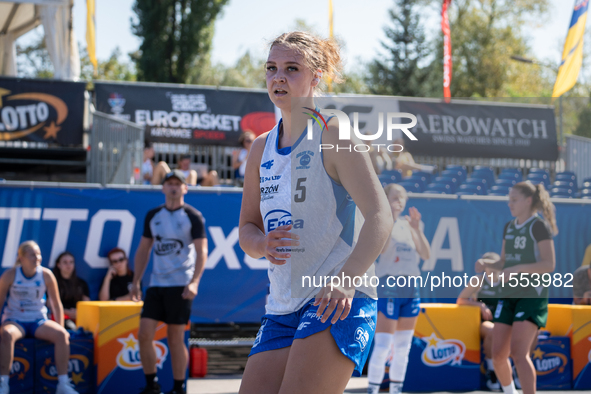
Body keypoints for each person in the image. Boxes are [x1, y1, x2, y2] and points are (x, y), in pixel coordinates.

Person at [238, 31, 393, 394]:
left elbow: (380, 216)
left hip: (334, 298)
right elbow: (246, 228)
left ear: (316, 76)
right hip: (281, 305)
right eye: (271, 68)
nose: (278, 77)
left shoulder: (332, 132)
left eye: (292, 68)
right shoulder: (261, 148)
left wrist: (348, 278)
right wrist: (262, 243)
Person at [475, 181, 557, 394]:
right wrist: (488, 265)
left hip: (531, 295)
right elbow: (503, 261)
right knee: (499, 355)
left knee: (520, 354)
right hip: (508, 293)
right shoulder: (509, 226)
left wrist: (518, 269)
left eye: (514, 199)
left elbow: (549, 264)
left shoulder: (538, 225)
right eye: (508, 199)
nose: (509, 203)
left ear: (528, 201)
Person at [131, 169, 208, 394]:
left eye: (178, 184)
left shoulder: (193, 216)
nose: (173, 187)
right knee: (144, 333)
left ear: (185, 188)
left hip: (181, 284)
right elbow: (143, 249)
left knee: (175, 338)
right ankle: (151, 385)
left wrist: (194, 282)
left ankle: (178, 388)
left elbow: (202, 251)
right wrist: (135, 281)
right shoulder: (153, 216)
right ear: (163, 187)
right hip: (157, 284)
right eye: (169, 183)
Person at [367, 183, 430, 394]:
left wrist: (415, 229)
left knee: (403, 346)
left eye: (403, 197)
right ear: (386, 198)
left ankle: (396, 389)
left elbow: (426, 255)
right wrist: (390, 219)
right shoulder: (384, 221)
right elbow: (381, 249)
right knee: (384, 343)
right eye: (395, 196)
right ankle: (373, 389)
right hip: (389, 285)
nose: (400, 201)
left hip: (411, 286)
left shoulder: (410, 224)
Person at [0, 241, 79, 394]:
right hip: (15, 320)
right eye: (32, 255)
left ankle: (63, 385)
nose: (36, 258)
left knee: (62, 335)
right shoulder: (10, 275)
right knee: (7, 334)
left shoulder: (46, 274)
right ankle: (3, 384)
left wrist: (60, 326)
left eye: (38, 254)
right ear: (21, 258)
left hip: (38, 320)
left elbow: (56, 304)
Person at [457, 252, 502, 391]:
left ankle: (516, 372)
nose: (492, 269)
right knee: (492, 330)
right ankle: (492, 371)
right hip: (484, 323)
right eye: (488, 265)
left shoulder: (507, 281)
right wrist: (479, 305)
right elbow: (460, 300)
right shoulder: (479, 281)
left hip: (504, 322)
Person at [52, 251, 90, 330]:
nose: (68, 265)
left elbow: (87, 304)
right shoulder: (52, 283)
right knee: (70, 327)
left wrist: (79, 312)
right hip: (60, 316)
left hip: (79, 316)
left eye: (71, 262)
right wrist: (67, 312)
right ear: (58, 265)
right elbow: (50, 304)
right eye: (65, 262)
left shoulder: (81, 283)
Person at [152, 155, 219, 186]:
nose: (185, 165)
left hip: (192, 188)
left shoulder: (192, 172)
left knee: (213, 173)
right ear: (179, 162)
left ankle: (219, 196)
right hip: (177, 184)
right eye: (184, 163)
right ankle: (152, 191)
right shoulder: (174, 172)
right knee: (162, 164)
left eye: (187, 164)